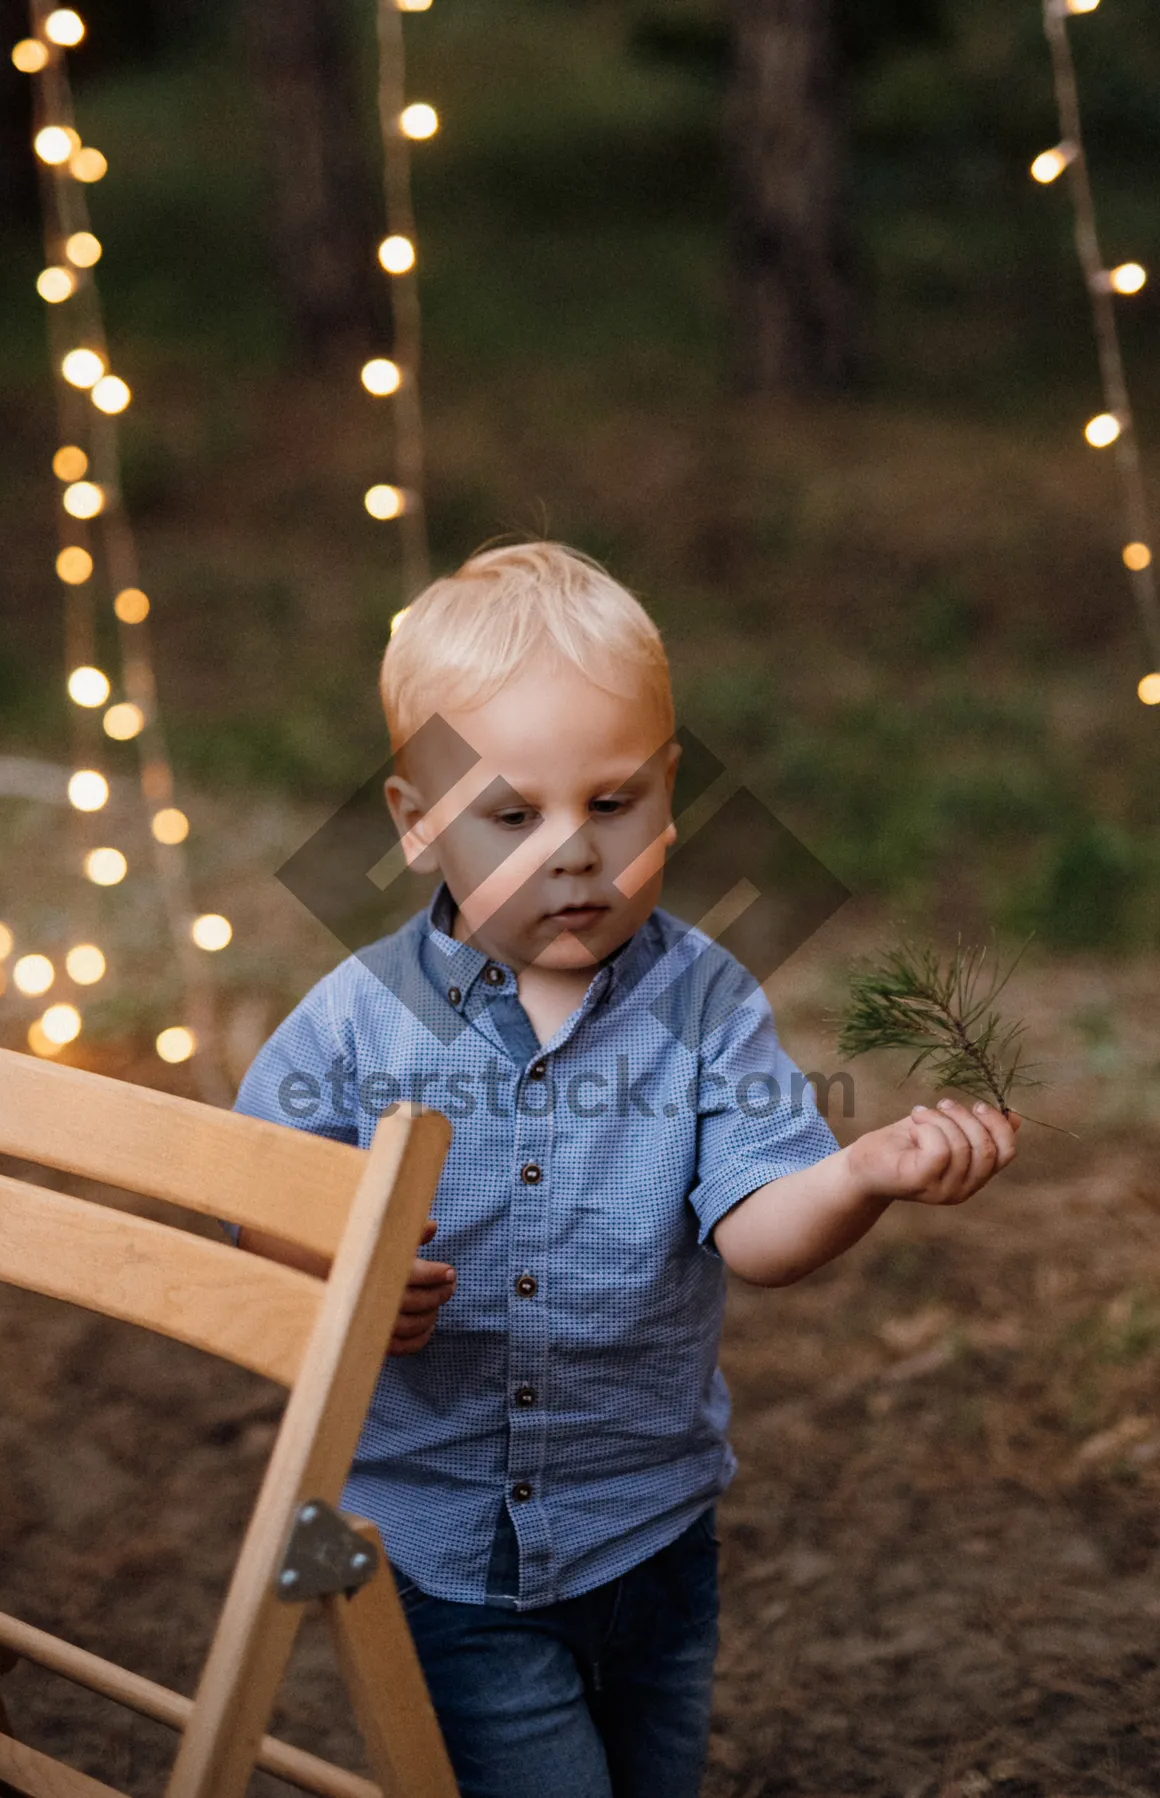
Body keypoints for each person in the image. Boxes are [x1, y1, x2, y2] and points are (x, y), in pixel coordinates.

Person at [229, 540, 1021, 1798]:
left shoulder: (705, 1001)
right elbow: (255, 1204)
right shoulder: (354, 1021)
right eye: (511, 814)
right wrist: (340, 1266)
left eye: (612, 804)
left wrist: (858, 1173)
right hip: (450, 1547)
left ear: (667, 791)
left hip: (651, 1531)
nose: (572, 853)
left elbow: (759, 1228)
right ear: (417, 821)